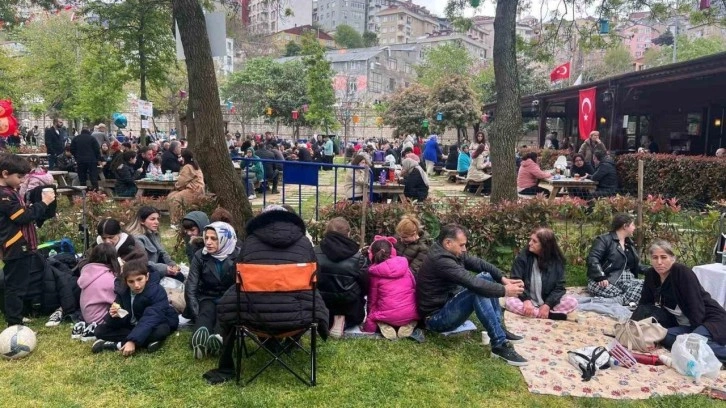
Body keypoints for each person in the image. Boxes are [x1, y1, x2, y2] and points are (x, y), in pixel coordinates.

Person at [207, 205, 329, 384]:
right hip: (298, 318)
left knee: (232, 304)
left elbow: (236, 276)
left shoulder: (250, 243)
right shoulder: (304, 243)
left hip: (254, 318)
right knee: (310, 297)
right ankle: (291, 342)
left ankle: (228, 366)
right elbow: (317, 277)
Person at [417, 224, 528, 366]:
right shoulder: (441, 260)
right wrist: (504, 290)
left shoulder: (450, 252)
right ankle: (499, 345)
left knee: (486, 276)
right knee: (477, 291)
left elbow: (479, 264)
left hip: (448, 304)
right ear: (448, 243)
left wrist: (502, 279)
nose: (464, 249)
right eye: (461, 245)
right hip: (435, 319)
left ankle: (498, 329)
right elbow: (472, 282)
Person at [640, 240, 726, 364]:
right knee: (662, 336)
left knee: (692, 344)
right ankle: (703, 346)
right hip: (686, 326)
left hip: (710, 320)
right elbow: (644, 303)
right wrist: (637, 326)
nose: (659, 262)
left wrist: (694, 335)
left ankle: (711, 347)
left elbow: (696, 306)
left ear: (672, 258)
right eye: (655, 258)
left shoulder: (681, 272)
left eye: (663, 257)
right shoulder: (651, 275)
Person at [0, 154, 55, 326]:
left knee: (19, 283)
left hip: (22, 246)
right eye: (19, 177)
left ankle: (16, 315)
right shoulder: (4, 195)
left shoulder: (11, 191)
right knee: (15, 286)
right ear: (5, 174)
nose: (22, 181)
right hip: (15, 246)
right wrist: (44, 203)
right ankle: (14, 323)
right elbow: (22, 217)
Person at [91, 258, 179, 355]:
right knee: (99, 331)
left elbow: (151, 318)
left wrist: (132, 341)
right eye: (131, 281)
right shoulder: (123, 291)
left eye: (139, 279)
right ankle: (146, 342)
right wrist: (115, 316)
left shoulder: (157, 291)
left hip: (157, 322)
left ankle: (118, 345)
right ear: (126, 281)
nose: (136, 285)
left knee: (161, 331)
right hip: (133, 325)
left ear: (147, 277)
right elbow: (120, 317)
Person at [186, 222, 239, 359]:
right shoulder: (200, 256)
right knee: (206, 314)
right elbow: (191, 286)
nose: (208, 242)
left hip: (229, 299)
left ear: (225, 239)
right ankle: (200, 340)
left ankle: (217, 340)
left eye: (214, 238)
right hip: (207, 297)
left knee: (222, 318)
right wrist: (196, 312)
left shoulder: (238, 255)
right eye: (206, 238)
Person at [506, 228, 578, 319]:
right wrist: (526, 300)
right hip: (526, 300)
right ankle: (550, 315)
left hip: (547, 301)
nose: (530, 243)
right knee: (510, 302)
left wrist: (548, 305)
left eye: (534, 241)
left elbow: (559, 288)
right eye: (530, 240)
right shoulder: (523, 257)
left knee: (572, 301)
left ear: (545, 245)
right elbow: (516, 280)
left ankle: (539, 313)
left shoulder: (557, 261)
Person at [315, 217, 368, 338]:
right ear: (348, 233)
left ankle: (328, 320)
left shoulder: (314, 252)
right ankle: (342, 319)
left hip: (321, 305)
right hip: (349, 306)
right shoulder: (358, 257)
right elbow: (365, 285)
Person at [362, 236, 419, 340]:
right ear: (392, 251)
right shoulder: (405, 267)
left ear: (372, 254)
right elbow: (414, 288)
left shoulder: (374, 273)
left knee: (375, 316)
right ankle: (408, 324)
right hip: (410, 313)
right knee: (408, 315)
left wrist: (368, 327)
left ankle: (384, 325)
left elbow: (372, 300)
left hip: (387, 315)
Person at [586, 213, 644, 305]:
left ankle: (618, 299)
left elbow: (636, 266)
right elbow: (593, 258)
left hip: (627, 280)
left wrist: (654, 270)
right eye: (633, 225)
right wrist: (600, 276)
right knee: (596, 286)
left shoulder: (629, 243)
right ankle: (627, 299)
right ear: (625, 226)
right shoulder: (604, 240)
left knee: (646, 285)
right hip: (607, 279)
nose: (635, 227)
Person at [75, 243, 121, 342]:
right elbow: (121, 299)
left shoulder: (87, 271)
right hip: (100, 322)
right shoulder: (109, 278)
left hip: (88, 318)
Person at [126, 206, 182, 282]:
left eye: (157, 219)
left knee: (179, 276)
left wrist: (172, 265)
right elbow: (141, 262)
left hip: (155, 268)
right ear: (142, 221)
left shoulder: (153, 234)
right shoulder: (136, 239)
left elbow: (162, 252)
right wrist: (165, 268)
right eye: (152, 219)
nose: (157, 222)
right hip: (143, 273)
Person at [167, 149, 205, 224]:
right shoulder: (195, 166)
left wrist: (176, 186)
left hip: (193, 190)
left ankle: (176, 221)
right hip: (198, 190)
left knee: (175, 199)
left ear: (184, 158)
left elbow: (181, 182)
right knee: (171, 196)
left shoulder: (187, 167)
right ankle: (175, 218)